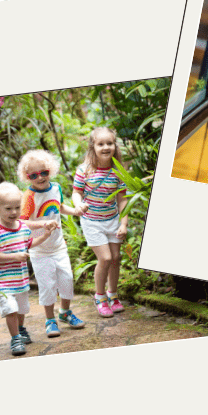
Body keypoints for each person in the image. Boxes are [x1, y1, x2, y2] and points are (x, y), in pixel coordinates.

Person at [17, 149, 85, 337]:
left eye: (44, 172)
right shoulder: (29, 197)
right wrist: (43, 223)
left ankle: (65, 312)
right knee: (47, 286)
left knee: (67, 280)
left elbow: (59, 207)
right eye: (34, 175)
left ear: (50, 170)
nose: (40, 177)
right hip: (40, 249)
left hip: (58, 246)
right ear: (27, 177)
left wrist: (75, 211)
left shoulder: (55, 188)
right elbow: (21, 221)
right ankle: (50, 320)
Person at [0, 182, 52, 356]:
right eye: (8, 208)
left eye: (17, 208)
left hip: (20, 280)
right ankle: (15, 338)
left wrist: (45, 235)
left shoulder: (22, 227)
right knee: (11, 309)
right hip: (3, 283)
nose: (14, 212)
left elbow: (29, 243)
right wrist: (14, 257)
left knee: (22, 309)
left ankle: (21, 329)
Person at [69, 128, 127, 317]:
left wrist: (123, 224)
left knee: (116, 259)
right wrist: (78, 205)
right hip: (92, 221)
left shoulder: (118, 171)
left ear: (114, 146)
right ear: (93, 147)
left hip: (112, 220)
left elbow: (122, 199)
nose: (105, 147)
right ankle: (100, 297)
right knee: (106, 258)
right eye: (100, 144)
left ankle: (113, 294)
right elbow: (76, 192)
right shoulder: (84, 170)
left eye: (109, 143)